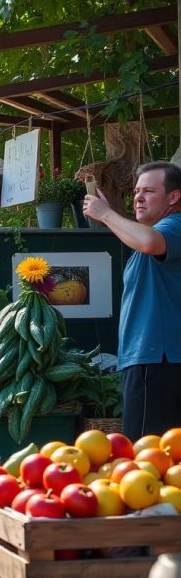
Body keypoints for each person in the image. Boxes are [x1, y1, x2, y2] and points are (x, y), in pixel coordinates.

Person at [83, 161, 181, 438]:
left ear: (174, 197)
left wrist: (106, 215)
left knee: (147, 455)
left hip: (158, 359)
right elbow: (143, 240)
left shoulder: (174, 225)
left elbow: (150, 242)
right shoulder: (155, 234)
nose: (138, 197)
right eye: (136, 190)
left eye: (149, 191)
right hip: (154, 358)